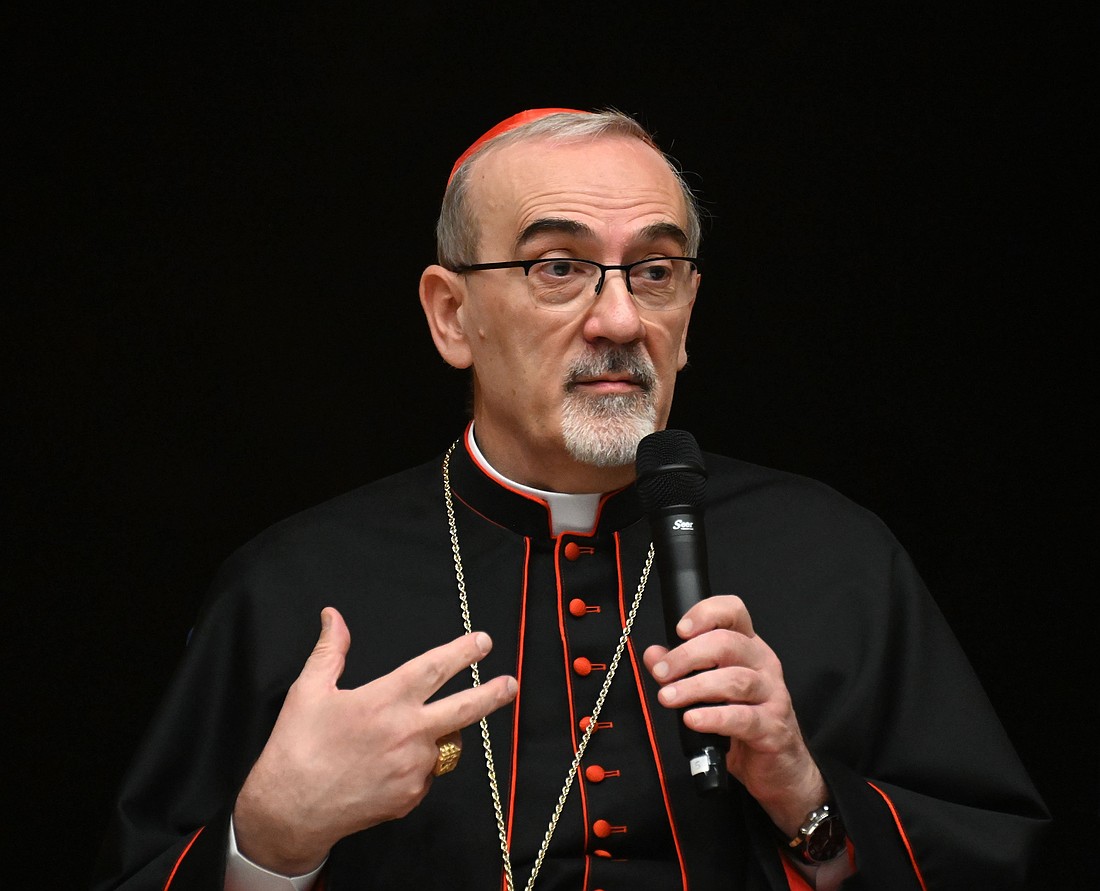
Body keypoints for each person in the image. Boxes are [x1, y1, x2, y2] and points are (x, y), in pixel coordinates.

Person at [92, 108, 1048, 891]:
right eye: (558, 267)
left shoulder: (837, 555)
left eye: (655, 271)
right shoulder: (293, 582)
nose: (621, 318)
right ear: (451, 314)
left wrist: (806, 796)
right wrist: (271, 842)